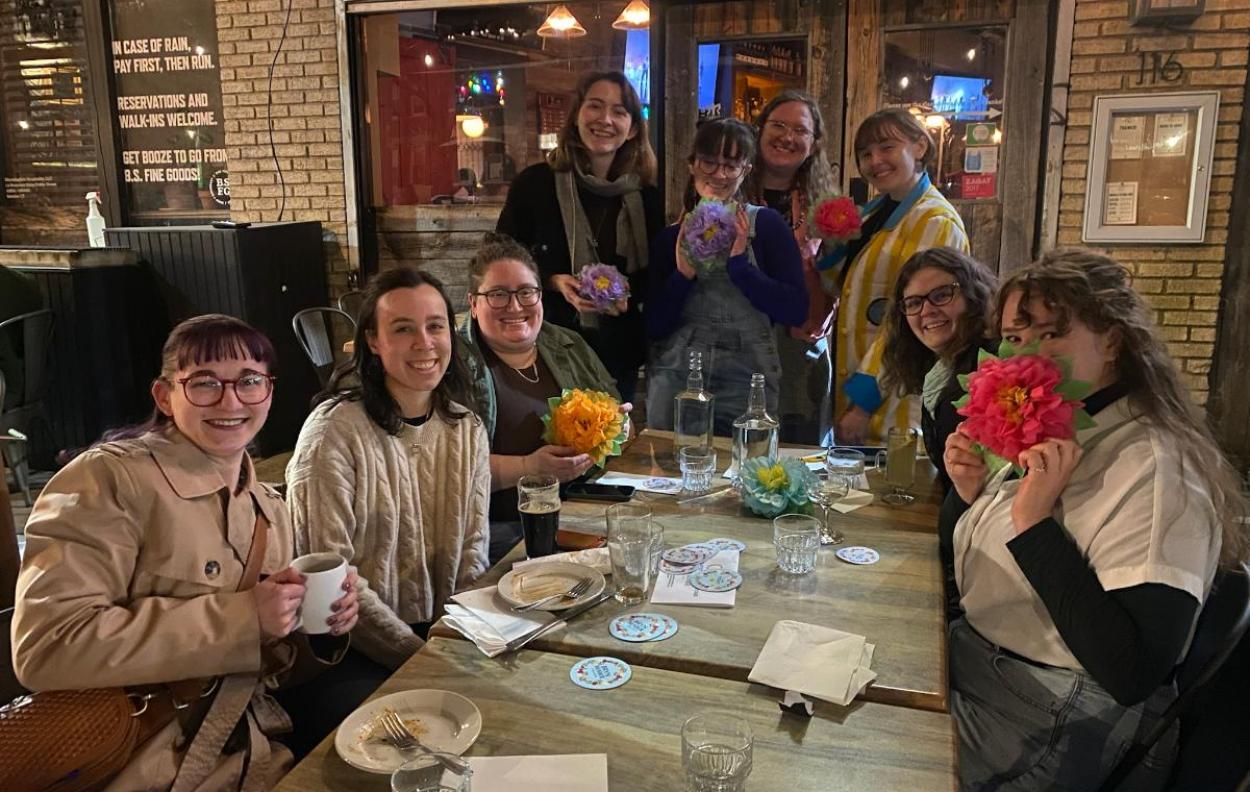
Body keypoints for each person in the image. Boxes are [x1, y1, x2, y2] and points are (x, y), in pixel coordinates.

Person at [940, 249, 1247, 791]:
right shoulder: (1068, 426)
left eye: (1052, 333)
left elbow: (1132, 672)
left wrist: (1033, 522)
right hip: (980, 664)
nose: (1027, 354)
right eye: (1014, 337)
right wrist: (969, 495)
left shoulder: (1157, 467)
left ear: (1113, 340)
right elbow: (966, 565)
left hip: (1056, 715)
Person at [10, 314, 358, 789]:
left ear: (269, 392)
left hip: (248, 754)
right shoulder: (109, 481)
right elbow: (46, 647)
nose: (230, 400)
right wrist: (239, 619)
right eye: (204, 382)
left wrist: (317, 631)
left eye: (249, 381)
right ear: (164, 396)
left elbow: (264, 671)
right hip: (132, 761)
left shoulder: (270, 509)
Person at [284, 269, 489, 744]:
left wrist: (463, 640)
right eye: (403, 328)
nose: (425, 342)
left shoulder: (467, 428)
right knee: (411, 744)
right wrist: (420, 656)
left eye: (436, 326)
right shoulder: (333, 433)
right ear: (372, 341)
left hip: (442, 635)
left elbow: (474, 553)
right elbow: (332, 584)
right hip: (350, 650)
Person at [496, 70, 664, 403]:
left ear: (632, 129)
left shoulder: (646, 196)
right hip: (546, 345)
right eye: (595, 106)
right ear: (576, 117)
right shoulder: (535, 185)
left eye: (619, 111)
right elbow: (499, 256)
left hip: (618, 351)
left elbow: (656, 273)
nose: (605, 119)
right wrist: (553, 280)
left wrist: (627, 293)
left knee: (609, 447)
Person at [647, 117, 807, 434]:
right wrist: (682, 275)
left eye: (731, 165)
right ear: (692, 164)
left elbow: (796, 310)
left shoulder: (768, 227)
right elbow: (653, 326)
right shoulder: (670, 238)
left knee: (746, 473)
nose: (719, 175)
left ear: (746, 170)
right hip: (679, 379)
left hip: (748, 381)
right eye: (709, 163)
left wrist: (740, 267)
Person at [458, 234, 623, 543]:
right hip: (495, 535)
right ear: (473, 303)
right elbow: (442, 467)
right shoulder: (451, 363)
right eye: (498, 294)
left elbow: (620, 426)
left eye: (526, 292)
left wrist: (613, 430)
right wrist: (527, 467)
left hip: (579, 520)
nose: (515, 305)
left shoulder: (569, 344)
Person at [819, 108, 969, 445]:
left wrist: (863, 402)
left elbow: (916, 320)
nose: (875, 161)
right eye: (865, 154)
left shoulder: (934, 221)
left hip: (896, 400)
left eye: (887, 147)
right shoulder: (874, 213)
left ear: (919, 147)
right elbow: (841, 290)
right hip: (859, 391)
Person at [747, 90, 839, 445]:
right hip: (739, 348)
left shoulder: (827, 204)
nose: (787, 136)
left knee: (800, 453)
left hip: (801, 352)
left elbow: (840, 280)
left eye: (800, 130)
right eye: (778, 125)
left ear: (814, 144)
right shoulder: (729, 190)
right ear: (759, 131)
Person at [879, 247, 997, 494]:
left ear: (972, 295)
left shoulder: (989, 368)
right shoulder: (944, 367)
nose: (927, 310)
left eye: (942, 295)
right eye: (913, 302)